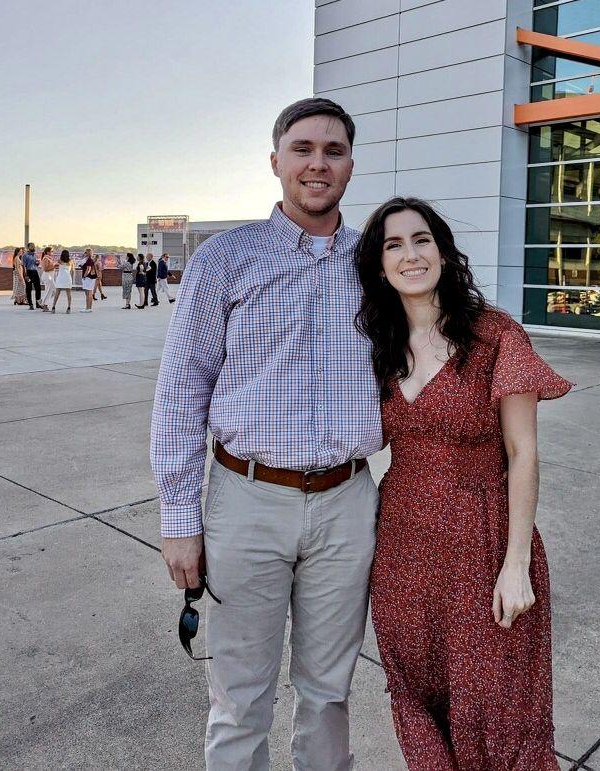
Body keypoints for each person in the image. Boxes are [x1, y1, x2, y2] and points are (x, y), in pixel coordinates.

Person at [151, 97, 381, 770]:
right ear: (276, 161)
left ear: (349, 165)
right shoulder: (225, 259)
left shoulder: (375, 264)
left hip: (347, 503)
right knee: (239, 695)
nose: (318, 163)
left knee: (327, 692)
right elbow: (181, 389)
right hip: (245, 500)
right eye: (303, 148)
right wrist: (178, 516)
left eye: (333, 151)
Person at [356, 197, 573, 770]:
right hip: (403, 546)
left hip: (484, 540)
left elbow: (523, 452)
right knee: (416, 694)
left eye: (421, 239)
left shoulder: (495, 335)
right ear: (380, 266)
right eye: (393, 245)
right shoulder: (376, 346)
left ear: (445, 253)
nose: (410, 254)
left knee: (497, 708)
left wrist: (516, 562)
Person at [22, 242, 42, 310]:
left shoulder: (35, 255)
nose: (33, 247)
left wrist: (37, 263)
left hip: (35, 272)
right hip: (28, 272)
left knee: (38, 288)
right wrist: (25, 275)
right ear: (28, 248)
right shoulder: (25, 255)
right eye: (31, 246)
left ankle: (38, 303)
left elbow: (37, 264)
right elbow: (23, 266)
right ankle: (30, 304)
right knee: (29, 288)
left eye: (34, 246)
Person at [80, 248, 97, 313]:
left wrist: (84, 276)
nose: (84, 254)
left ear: (87, 253)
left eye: (85, 252)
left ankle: (88, 308)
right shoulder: (90, 260)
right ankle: (89, 307)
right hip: (90, 278)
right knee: (89, 292)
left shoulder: (89, 260)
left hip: (88, 278)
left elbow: (88, 269)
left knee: (88, 293)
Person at [39, 246, 56, 311]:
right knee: (51, 290)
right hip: (47, 276)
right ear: (47, 252)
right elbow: (45, 269)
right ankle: (44, 303)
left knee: (51, 291)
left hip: (50, 276)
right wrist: (54, 266)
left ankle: (43, 302)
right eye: (52, 251)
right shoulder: (46, 258)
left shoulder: (49, 258)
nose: (52, 252)